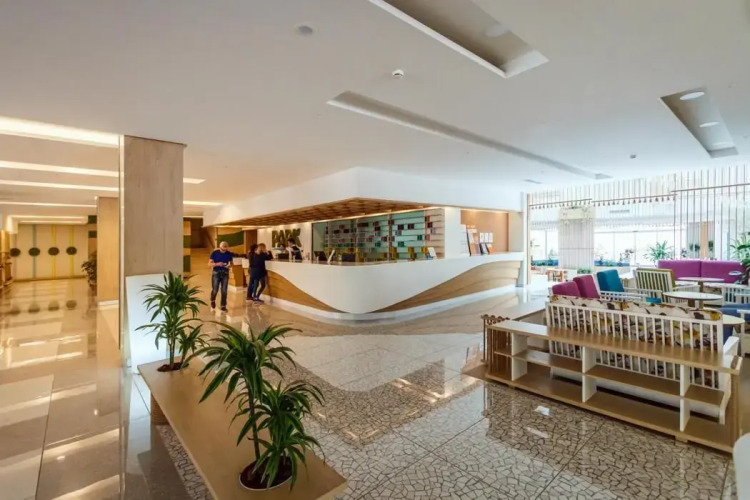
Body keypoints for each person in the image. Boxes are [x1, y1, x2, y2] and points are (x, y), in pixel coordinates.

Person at [208, 241, 233, 311]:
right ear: (220, 247)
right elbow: (209, 264)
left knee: (224, 290)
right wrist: (217, 264)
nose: (224, 251)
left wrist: (229, 265)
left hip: (225, 273)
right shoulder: (214, 253)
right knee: (215, 290)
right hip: (216, 273)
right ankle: (212, 300)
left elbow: (231, 263)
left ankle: (223, 305)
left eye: (225, 250)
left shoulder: (229, 254)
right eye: (222, 249)